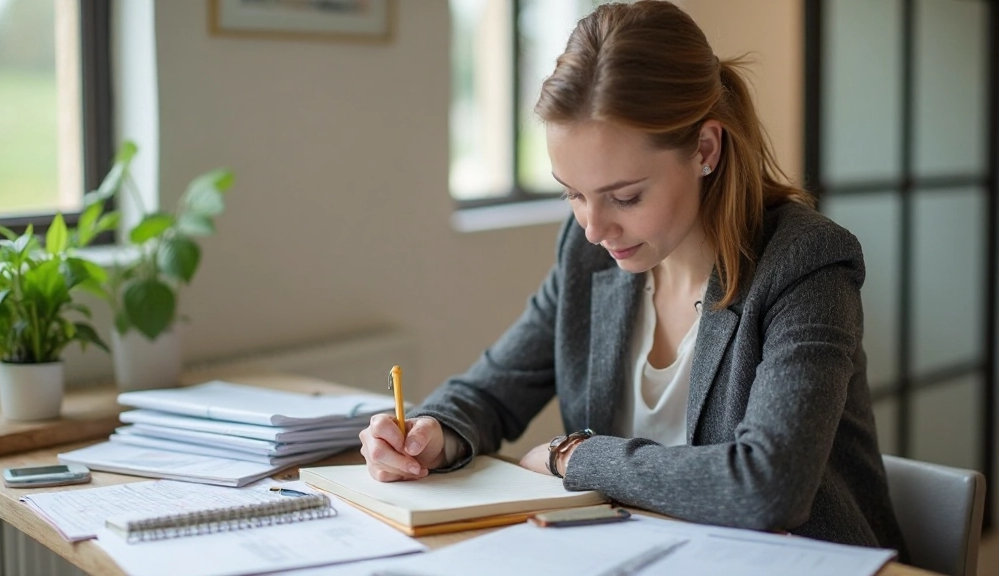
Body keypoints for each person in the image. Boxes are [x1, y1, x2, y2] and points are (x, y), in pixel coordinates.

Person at [359, 0, 907, 553]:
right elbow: (491, 391)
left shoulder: (806, 264)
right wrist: (432, 433)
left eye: (624, 196)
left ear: (705, 149)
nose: (595, 228)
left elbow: (768, 487)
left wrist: (572, 456)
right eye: (573, 193)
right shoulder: (588, 253)